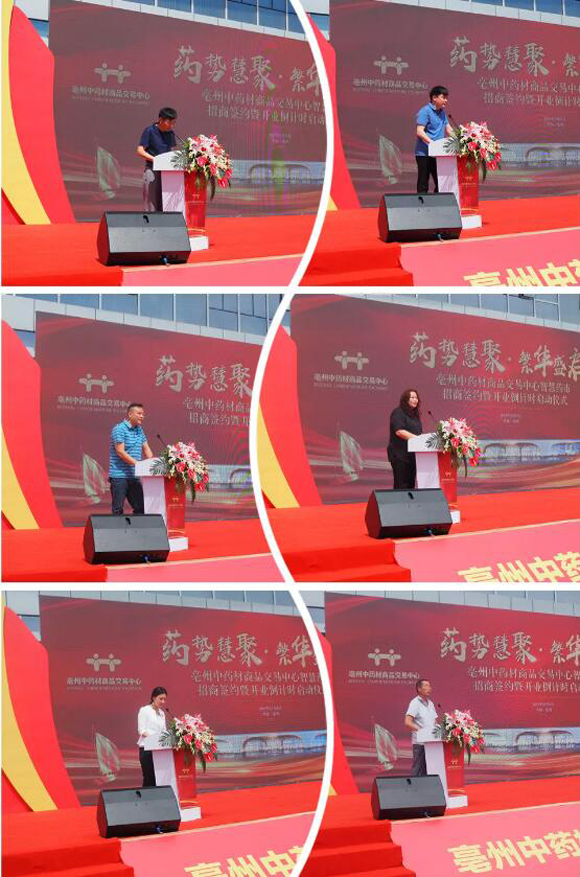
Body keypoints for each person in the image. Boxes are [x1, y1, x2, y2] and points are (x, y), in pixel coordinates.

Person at [108, 402, 153, 515]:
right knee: (117, 510)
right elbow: (120, 452)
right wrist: (138, 464)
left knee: (141, 508)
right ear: (130, 414)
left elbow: (146, 449)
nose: (142, 416)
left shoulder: (139, 430)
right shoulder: (119, 429)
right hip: (119, 476)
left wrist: (153, 463)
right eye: (139, 413)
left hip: (134, 476)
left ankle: (137, 527)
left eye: (143, 414)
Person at [137, 107, 178, 211]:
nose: (171, 126)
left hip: (166, 172)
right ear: (160, 119)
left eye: (173, 123)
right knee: (151, 202)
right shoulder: (150, 131)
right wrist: (156, 160)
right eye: (169, 122)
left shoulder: (170, 134)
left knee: (164, 202)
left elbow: (172, 152)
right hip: (152, 169)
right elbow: (140, 151)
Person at [415, 86, 453, 194]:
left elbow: (448, 128)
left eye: (446, 97)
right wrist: (433, 144)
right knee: (423, 183)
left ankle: (437, 202)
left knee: (440, 183)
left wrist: (461, 139)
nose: (446, 100)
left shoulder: (442, 112)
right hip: (424, 153)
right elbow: (419, 131)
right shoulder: (425, 111)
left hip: (438, 154)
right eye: (443, 97)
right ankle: (421, 203)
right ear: (434, 98)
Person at [387, 389, 423, 489]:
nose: (415, 400)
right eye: (412, 397)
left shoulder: (415, 416)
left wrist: (422, 440)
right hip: (400, 455)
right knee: (401, 484)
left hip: (412, 455)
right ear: (406, 399)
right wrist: (418, 439)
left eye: (416, 398)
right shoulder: (398, 412)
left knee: (411, 484)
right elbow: (399, 431)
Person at [404, 678, 438, 777]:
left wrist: (438, 729)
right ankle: (415, 786)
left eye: (430, 686)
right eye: (426, 686)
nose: (429, 688)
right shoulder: (415, 703)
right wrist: (423, 731)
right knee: (418, 770)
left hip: (431, 743)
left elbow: (435, 721)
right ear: (419, 689)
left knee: (430, 770)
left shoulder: (431, 703)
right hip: (420, 743)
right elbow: (407, 722)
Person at [137, 686, 168, 787]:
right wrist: (154, 739)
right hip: (146, 749)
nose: (163, 701)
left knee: (158, 778)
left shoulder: (162, 713)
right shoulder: (145, 710)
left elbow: (164, 731)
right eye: (160, 698)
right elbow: (141, 730)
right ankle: (146, 797)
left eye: (164, 699)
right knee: (149, 777)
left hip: (159, 750)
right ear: (153, 697)